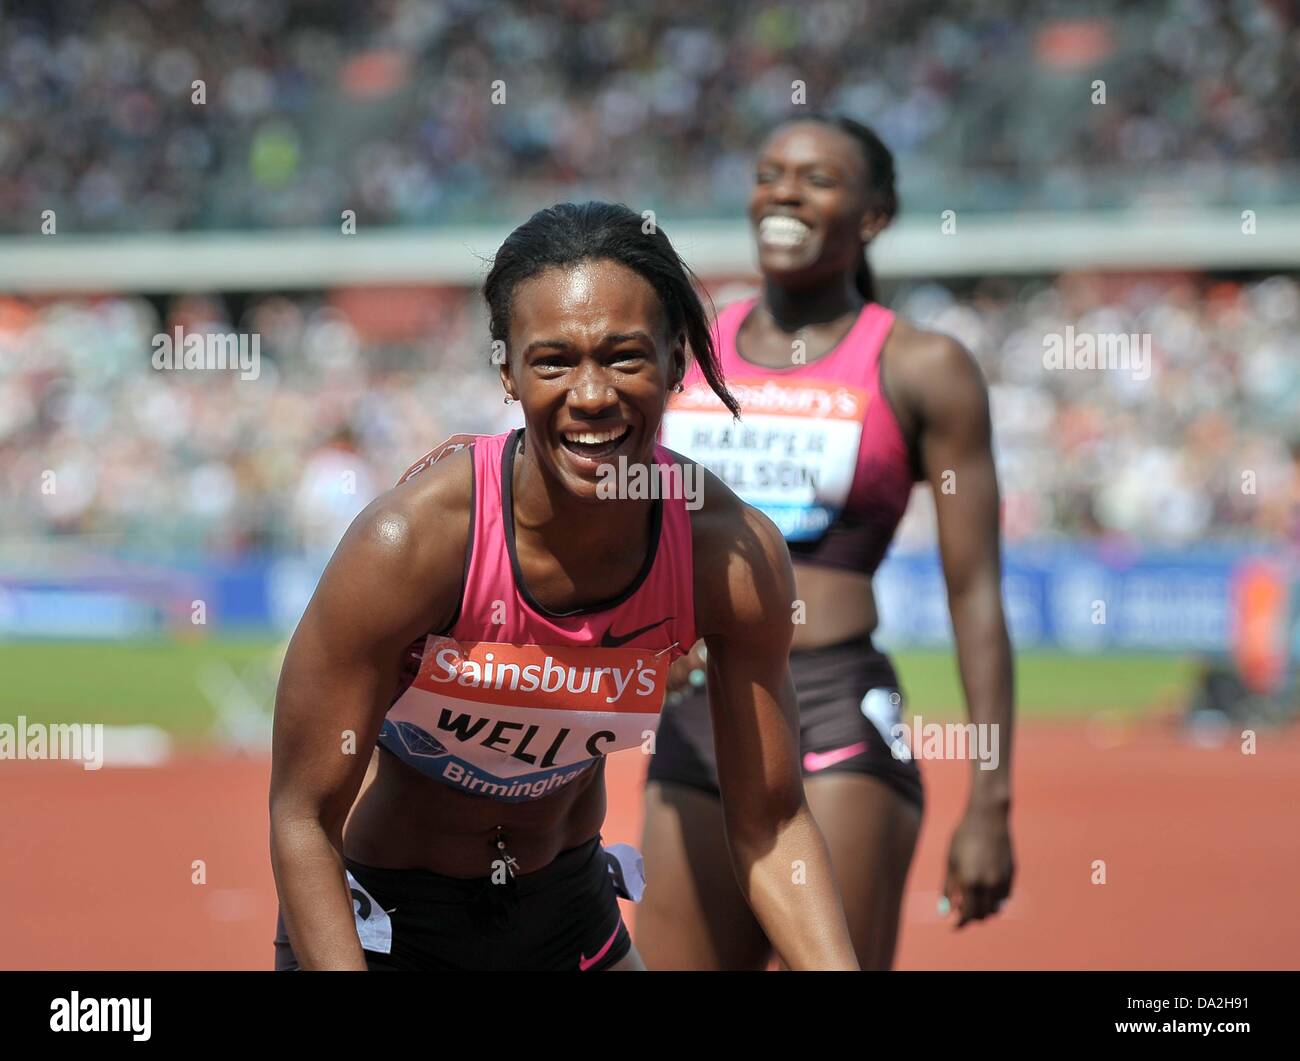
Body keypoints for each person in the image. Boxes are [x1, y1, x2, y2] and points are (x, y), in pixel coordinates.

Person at [268, 201, 859, 971]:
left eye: (624, 356)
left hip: (568, 917)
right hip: (383, 926)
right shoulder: (413, 544)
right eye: (553, 361)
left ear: (677, 360)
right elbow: (302, 815)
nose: (591, 395)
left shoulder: (729, 557)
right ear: (507, 371)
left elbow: (772, 825)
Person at [639, 115, 1016, 970]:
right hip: (695, 713)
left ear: (874, 215)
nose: (785, 193)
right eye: (770, 172)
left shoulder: (924, 367)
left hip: (834, 702)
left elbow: (976, 592)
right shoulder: (683, 349)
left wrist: (990, 799)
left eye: (817, 179)